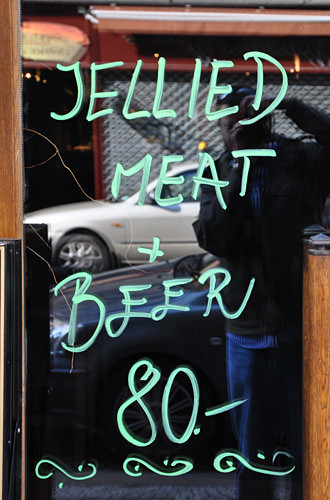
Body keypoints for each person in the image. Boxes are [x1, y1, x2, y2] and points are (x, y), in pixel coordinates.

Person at [193, 86, 330, 500]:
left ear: (264, 118)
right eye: (227, 120)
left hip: (299, 330)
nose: (235, 126)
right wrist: (239, 168)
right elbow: (213, 236)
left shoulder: (299, 159)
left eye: (243, 117)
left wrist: (289, 104)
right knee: (252, 452)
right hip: (246, 335)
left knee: (309, 447)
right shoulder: (217, 171)